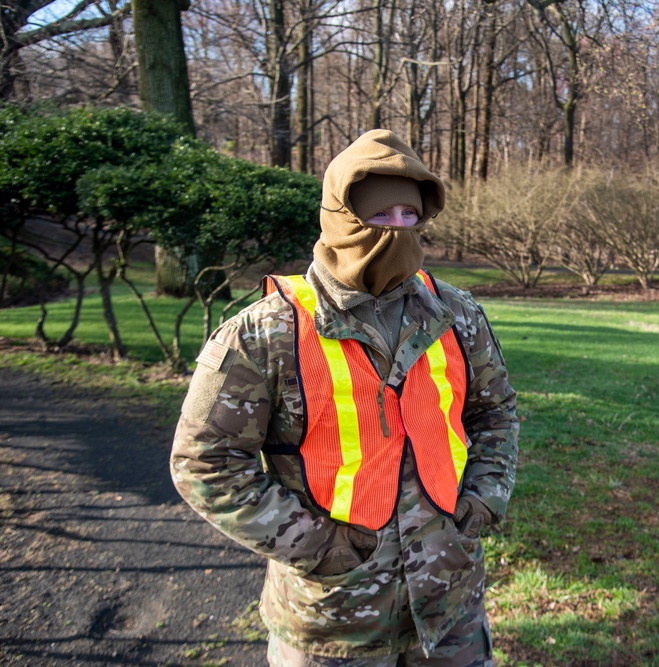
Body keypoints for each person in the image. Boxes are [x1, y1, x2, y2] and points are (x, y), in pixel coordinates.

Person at [170, 129, 519, 667]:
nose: (398, 230)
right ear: (341, 217)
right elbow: (204, 461)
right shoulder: (264, 333)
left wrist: (482, 500)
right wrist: (312, 545)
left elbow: (494, 412)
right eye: (382, 216)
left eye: (410, 215)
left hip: (450, 606)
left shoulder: (457, 314)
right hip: (334, 624)